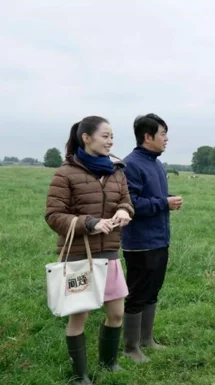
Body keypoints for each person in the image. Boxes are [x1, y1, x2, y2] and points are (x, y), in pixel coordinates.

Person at [45, 116, 134, 385]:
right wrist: (91, 223)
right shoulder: (66, 172)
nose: (111, 141)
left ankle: (109, 363)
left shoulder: (117, 170)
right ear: (86, 137)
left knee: (117, 313)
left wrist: (123, 211)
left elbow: (127, 202)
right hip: (78, 256)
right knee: (79, 317)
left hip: (109, 254)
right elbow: (53, 215)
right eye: (105, 135)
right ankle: (80, 375)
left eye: (112, 136)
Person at [120, 113, 183, 363]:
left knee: (153, 290)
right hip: (139, 244)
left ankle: (147, 340)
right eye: (163, 134)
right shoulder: (131, 165)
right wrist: (164, 203)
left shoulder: (156, 164)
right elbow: (130, 204)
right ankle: (130, 348)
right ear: (148, 137)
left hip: (159, 239)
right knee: (137, 293)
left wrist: (164, 204)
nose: (166, 139)